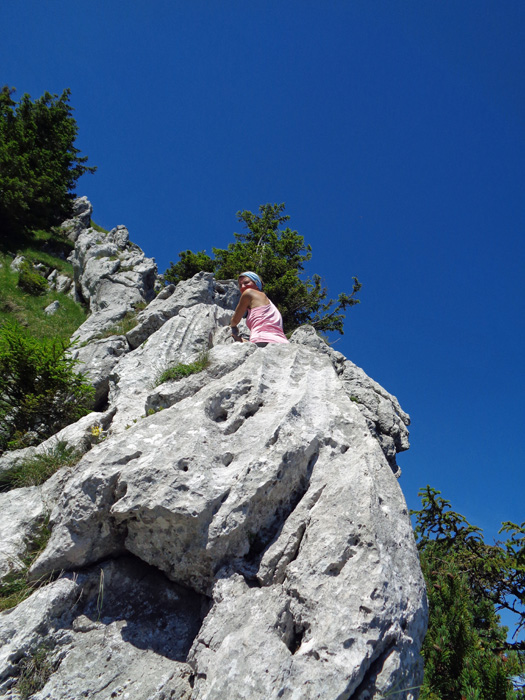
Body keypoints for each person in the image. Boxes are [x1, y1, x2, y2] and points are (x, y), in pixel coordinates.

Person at [229, 271, 289, 346]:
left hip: (262, 341)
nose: (243, 287)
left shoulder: (248, 292)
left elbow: (234, 321)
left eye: (246, 282)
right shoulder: (269, 304)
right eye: (240, 285)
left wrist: (232, 327)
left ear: (257, 284)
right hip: (283, 343)